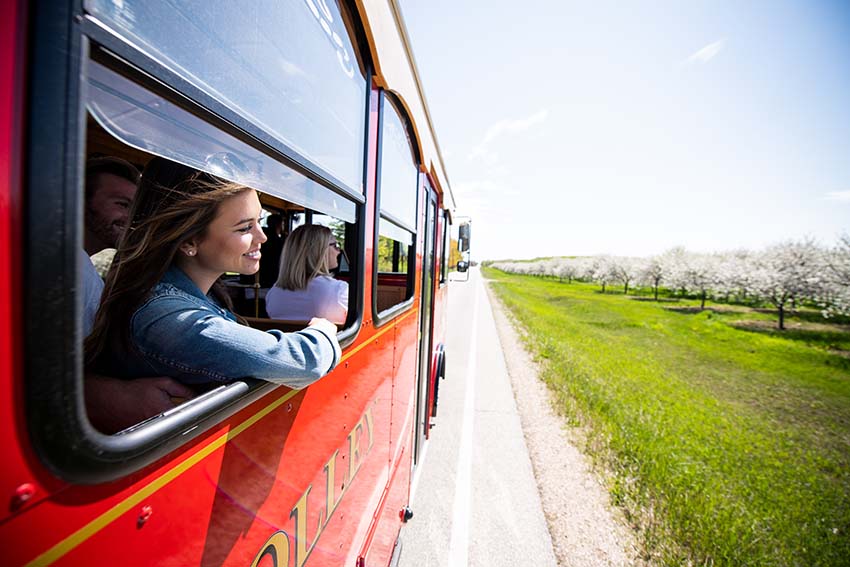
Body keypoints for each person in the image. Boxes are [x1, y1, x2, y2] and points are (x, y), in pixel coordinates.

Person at [85, 157, 340, 387]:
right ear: (189, 242)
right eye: (244, 228)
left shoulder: (198, 297)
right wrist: (324, 329)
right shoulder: (169, 318)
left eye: (259, 222)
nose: (262, 237)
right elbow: (305, 361)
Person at [81, 156, 194, 432]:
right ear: (81, 203)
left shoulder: (84, 267)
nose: (130, 219)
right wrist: (113, 396)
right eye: (121, 204)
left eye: (134, 209)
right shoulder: (69, 264)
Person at [265, 224, 349, 325]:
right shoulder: (339, 290)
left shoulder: (274, 292)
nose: (339, 251)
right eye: (335, 245)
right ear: (319, 250)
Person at [258, 213, 285, 288]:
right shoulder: (278, 242)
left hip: (258, 278)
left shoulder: (261, 238)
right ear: (279, 225)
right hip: (270, 280)